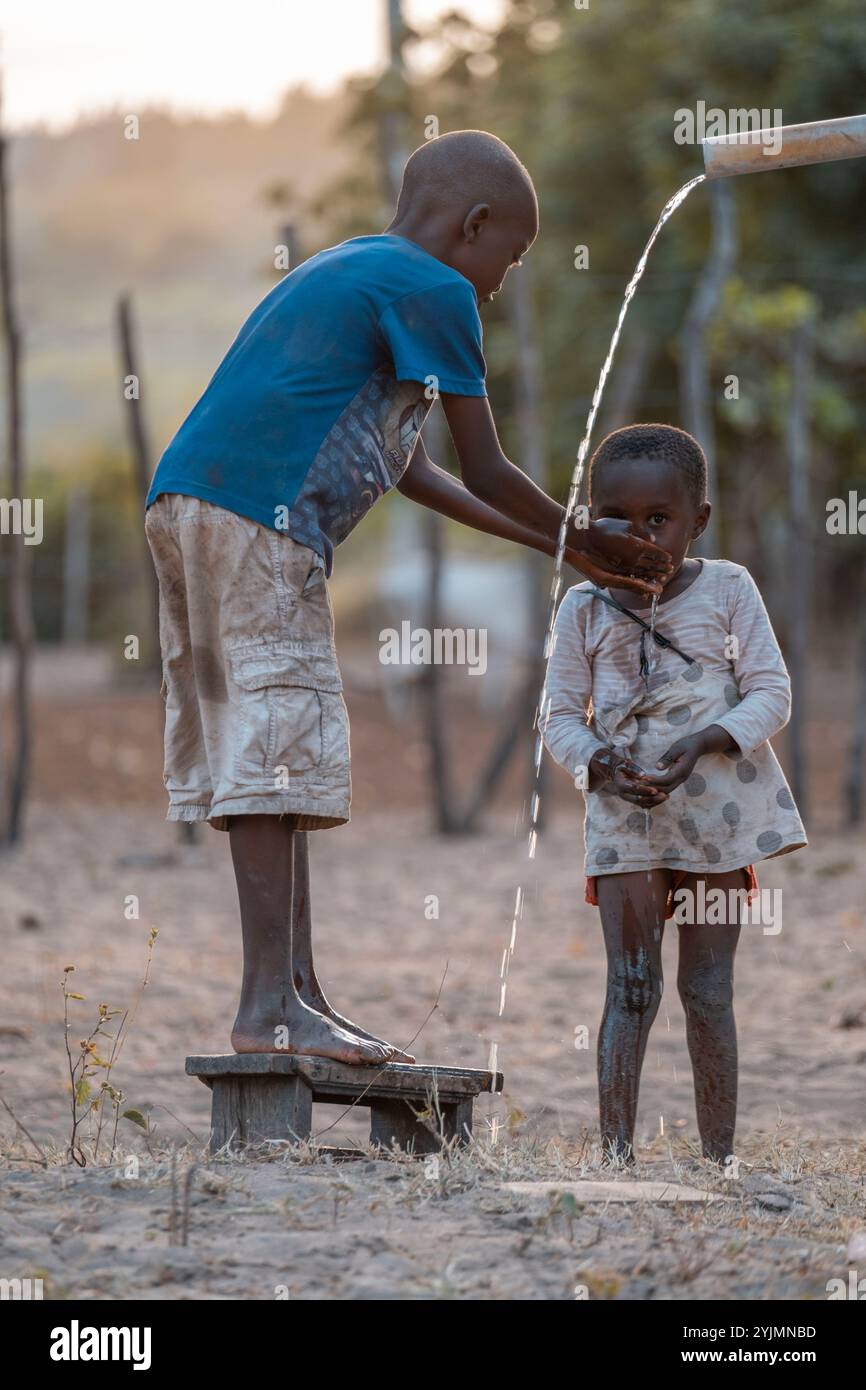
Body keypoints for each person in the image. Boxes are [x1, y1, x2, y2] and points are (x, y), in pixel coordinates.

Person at [144, 129, 673, 1066]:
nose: (503, 279)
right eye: (509, 254)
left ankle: (295, 997)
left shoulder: (353, 268)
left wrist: (566, 555)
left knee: (270, 754)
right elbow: (490, 465)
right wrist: (587, 538)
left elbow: (414, 468)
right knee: (278, 751)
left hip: (190, 505)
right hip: (261, 520)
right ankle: (270, 1010)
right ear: (472, 226)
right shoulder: (437, 289)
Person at [541, 422, 807, 1164]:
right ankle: (616, 1158)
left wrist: (705, 742)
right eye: (616, 518)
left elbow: (771, 693)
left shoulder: (728, 588)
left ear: (700, 522)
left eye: (659, 519)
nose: (639, 536)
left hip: (719, 814)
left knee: (709, 992)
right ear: (591, 517)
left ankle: (718, 1159)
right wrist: (598, 762)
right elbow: (558, 714)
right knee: (631, 990)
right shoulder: (582, 609)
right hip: (624, 818)